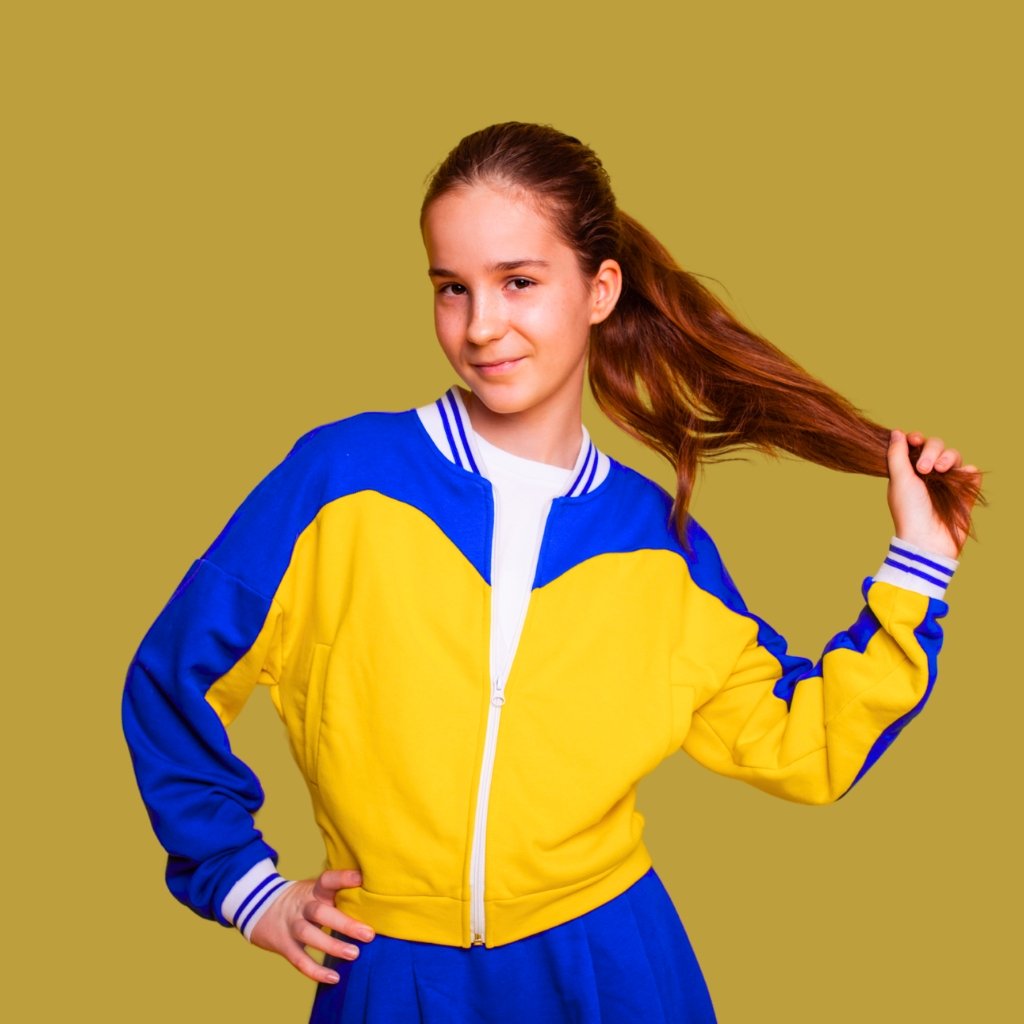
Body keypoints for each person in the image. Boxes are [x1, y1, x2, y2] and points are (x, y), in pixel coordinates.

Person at [122, 121, 983, 1022]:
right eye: (452, 288)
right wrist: (245, 886)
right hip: (391, 971)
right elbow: (174, 676)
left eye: (519, 282)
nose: (481, 326)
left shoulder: (660, 546)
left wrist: (919, 567)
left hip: (611, 969)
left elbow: (802, 742)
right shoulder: (338, 481)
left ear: (600, 289)